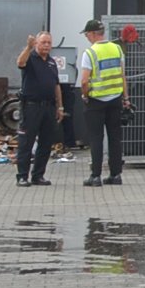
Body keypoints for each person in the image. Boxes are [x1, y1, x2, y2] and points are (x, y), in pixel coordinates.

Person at [76, 19, 128, 186]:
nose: (86, 37)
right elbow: (122, 75)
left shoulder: (90, 53)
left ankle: (96, 176)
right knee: (115, 138)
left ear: (91, 34)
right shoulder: (117, 49)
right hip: (115, 99)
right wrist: (126, 98)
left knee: (96, 138)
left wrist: (85, 96)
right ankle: (116, 175)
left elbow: (84, 81)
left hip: (96, 101)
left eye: (86, 34)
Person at [12, 31, 64, 187]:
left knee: (46, 143)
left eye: (49, 43)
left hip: (49, 107)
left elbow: (56, 85)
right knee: (26, 142)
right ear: (36, 44)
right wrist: (28, 48)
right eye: (43, 42)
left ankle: (38, 175)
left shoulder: (51, 62)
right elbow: (20, 63)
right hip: (31, 107)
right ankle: (22, 176)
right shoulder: (30, 58)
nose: (47, 45)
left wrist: (59, 106)